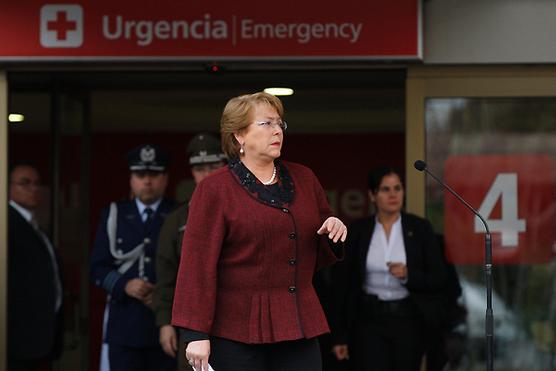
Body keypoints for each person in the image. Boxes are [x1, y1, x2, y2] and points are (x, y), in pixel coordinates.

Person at [171, 92, 348, 371]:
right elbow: (196, 265)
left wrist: (333, 234)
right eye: (266, 124)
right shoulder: (214, 189)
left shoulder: (304, 178)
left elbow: (319, 256)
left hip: (298, 324)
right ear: (239, 135)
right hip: (235, 331)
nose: (277, 130)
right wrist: (195, 333)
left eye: (280, 124)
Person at [330, 166, 448, 371]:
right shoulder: (359, 230)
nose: (393, 194)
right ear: (372, 195)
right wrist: (339, 336)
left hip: (408, 319)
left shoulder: (420, 228)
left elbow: (440, 278)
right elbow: (342, 285)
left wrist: (409, 274)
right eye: (385, 189)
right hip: (368, 320)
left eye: (397, 188)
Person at [90, 144, 177, 371]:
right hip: (125, 325)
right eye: (140, 175)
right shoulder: (114, 213)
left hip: (166, 327)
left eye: (154, 175)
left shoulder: (178, 214)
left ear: (166, 178)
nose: (147, 181)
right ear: (131, 179)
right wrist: (124, 284)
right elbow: (97, 267)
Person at [153, 133, 227, 370]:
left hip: (237, 320)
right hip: (194, 326)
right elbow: (167, 276)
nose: (207, 174)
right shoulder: (177, 219)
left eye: (214, 166)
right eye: (199, 168)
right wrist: (165, 323)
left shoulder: (245, 210)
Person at [8, 162, 64, 371]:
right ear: (8, 187)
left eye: (37, 183)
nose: (33, 188)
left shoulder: (34, 225)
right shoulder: (8, 224)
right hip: (18, 336)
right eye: (25, 183)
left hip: (39, 335)